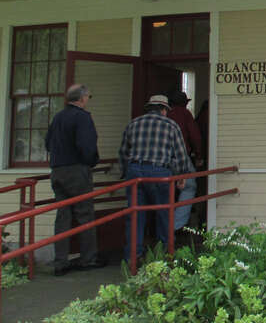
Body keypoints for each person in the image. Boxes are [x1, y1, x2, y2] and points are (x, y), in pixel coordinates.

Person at [119, 94, 192, 261]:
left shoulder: (133, 124)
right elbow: (181, 154)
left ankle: (133, 255)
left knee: (135, 215)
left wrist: (125, 173)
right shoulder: (171, 125)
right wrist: (182, 175)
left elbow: (123, 152)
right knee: (164, 214)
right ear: (164, 110)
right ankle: (165, 254)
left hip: (135, 172)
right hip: (160, 172)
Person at [44, 83, 106, 276]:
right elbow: (86, 145)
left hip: (57, 170)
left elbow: (47, 143)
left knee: (63, 216)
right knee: (84, 213)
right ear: (82, 98)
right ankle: (88, 258)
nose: (88, 100)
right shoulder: (82, 118)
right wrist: (91, 162)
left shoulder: (58, 117)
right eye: (88, 97)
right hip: (76, 170)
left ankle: (60, 261)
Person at [167, 91, 203, 167]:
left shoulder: (166, 113)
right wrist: (198, 156)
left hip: (165, 156)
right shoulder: (186, 114)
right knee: (190, 176)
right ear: (184, 103)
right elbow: (195, 136)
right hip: (181, 154)